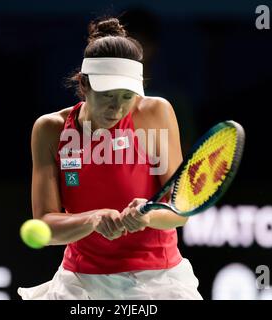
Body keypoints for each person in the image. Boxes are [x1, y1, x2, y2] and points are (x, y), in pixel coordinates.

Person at [18, 17, 202, 300]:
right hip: (81, 283)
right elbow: (45, 223)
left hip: (159, 280)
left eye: (127, 96)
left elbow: (181, 211)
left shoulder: (155, 114)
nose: (117, 108)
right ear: (84, 84)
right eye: (107, 95)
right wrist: (93, 219)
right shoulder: (50, 129)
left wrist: (148, 214)